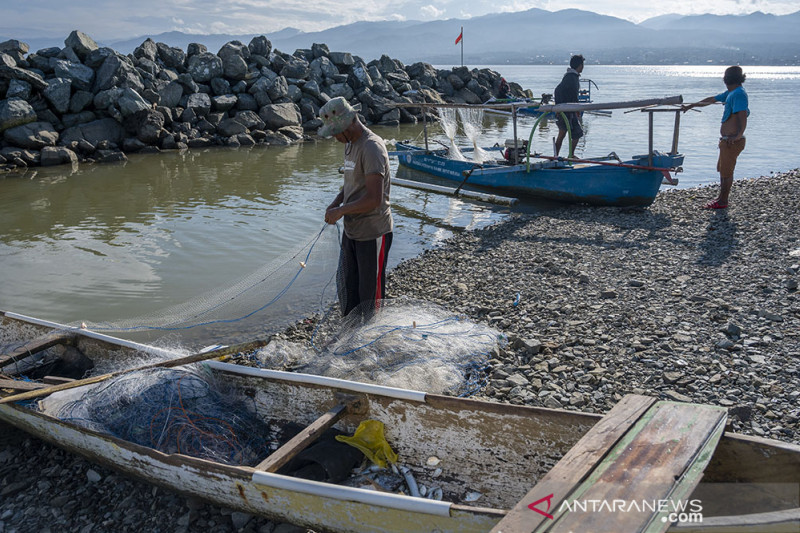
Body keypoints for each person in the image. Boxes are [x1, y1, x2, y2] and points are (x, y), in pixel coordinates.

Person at [319, 97, 393, 317]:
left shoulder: (372, 147)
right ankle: (351, 334)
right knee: (348, 287)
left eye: (336, 132)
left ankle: (371, 338)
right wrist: (336, 202)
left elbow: (374, 199)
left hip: (373, 232)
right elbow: (352, 183)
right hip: (352, 231)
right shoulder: (350, 144)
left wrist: (340, 211)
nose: (334, 137)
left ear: (350, 123)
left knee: (370, 296)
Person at [682, 65, 749, 209]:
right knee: (723, 170)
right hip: (727, 140)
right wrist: (691, 105)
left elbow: (742, 116)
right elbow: (711, 99)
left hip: (732, 140)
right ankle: (721, 198)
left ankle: (723, 202)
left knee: (727, 171)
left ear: (727, 79)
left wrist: (737, 135)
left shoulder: (738, 94)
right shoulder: (730, 93)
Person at [553, 54, 585, 158]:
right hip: (567, 109)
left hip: (568, 109)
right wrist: (577, 109)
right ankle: (557, 155)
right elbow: (571, 94)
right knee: (564, 133)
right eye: (582, 64)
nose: (583, 67)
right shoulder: (571, 77)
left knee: (575, 133)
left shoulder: (571, 76)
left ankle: (568, 154)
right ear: (579, 65)